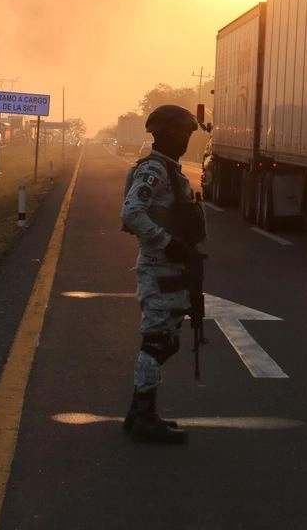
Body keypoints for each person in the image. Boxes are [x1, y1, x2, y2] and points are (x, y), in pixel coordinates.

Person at [119, 104, 205, 443]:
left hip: (173, 269)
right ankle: (144, 417)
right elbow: (131, 213)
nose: (185, 141)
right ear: (165, 134)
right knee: (155, 343)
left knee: (166, 341)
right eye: (181, 134)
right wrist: (166, 242)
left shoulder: (170, 170)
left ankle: (139, 412)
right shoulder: (154, 170)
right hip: (159, 267)